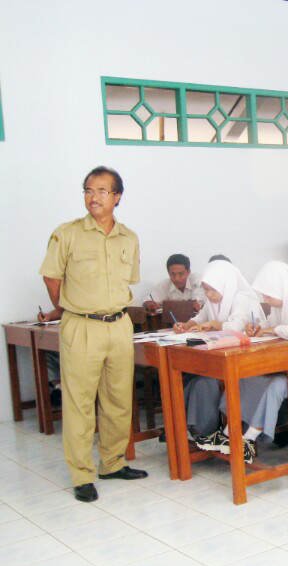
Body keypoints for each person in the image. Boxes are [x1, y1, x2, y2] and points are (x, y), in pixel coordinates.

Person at [38, 166, 147, 503]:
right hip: (81, 326)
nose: (94, 197)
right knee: (80, 402)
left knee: (117, 399)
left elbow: (128, 280)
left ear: (117, 197)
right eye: (88, 190)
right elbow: (52, 278)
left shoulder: (128, 236)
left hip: (119, 325)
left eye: (102, 191)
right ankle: (82, 474)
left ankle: (112, 463)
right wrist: (70, 308)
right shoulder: (66, 233)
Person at [201, 262, 288, 451]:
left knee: (277, 385)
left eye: (268, 294)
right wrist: (260, 328)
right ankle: (229, 432)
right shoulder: (284, 301)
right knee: (249, 377)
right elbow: (271, 325)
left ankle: (250, 437)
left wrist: (272, 329)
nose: (266, 300)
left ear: (280, 287)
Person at [172, 260, 267, 453]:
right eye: (206, 289)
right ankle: (193, 429)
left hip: (247, 360)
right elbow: (200, 318)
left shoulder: (242, 298)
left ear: (226, 284)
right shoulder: (214, 300)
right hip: (221, 356)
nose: (209, 294)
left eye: (212, 290)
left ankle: (204, 430)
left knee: (203, 381)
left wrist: (215, 324)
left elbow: (237, 325)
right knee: (188, 376)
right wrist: (186, 325)